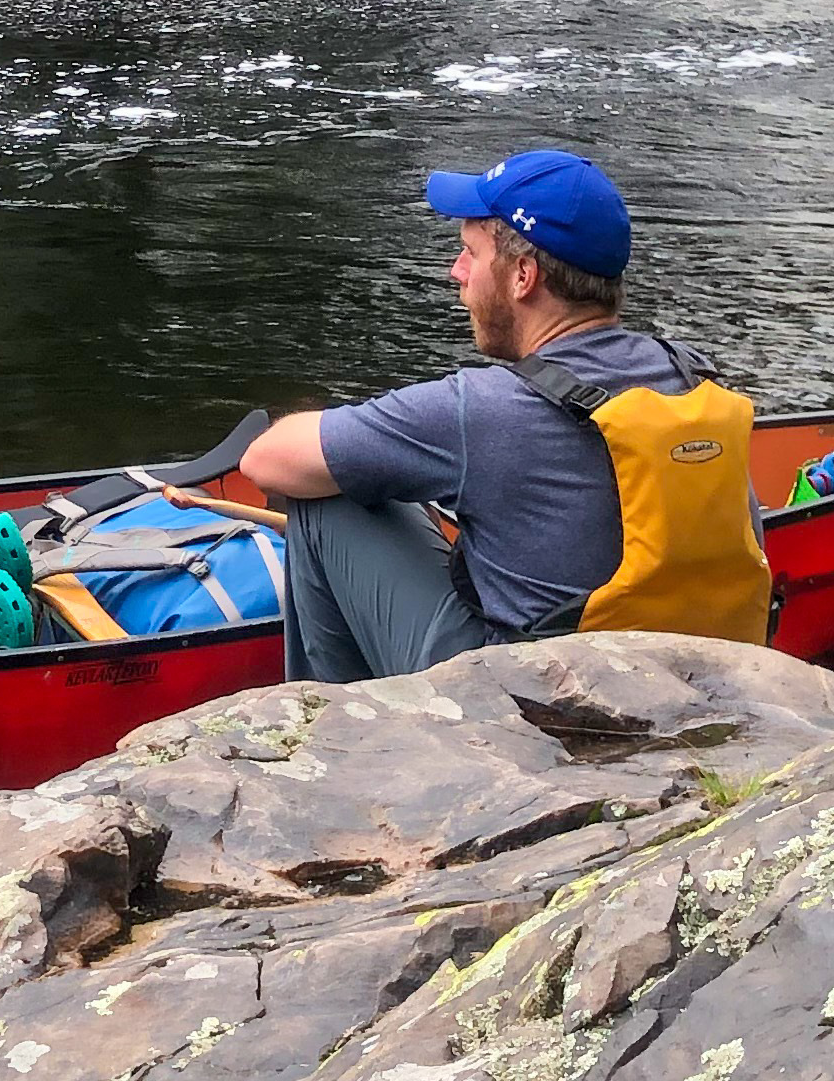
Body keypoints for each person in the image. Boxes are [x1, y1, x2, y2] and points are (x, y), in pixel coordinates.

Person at [237, 148, 766, 681]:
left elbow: (266, 462)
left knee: (328, 495)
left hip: (530, 710)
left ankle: (340, 733)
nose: (456, 273)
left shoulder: (485, 408)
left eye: (470, 252)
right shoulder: (693, 382)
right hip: (701, 680)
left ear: (522, 276)